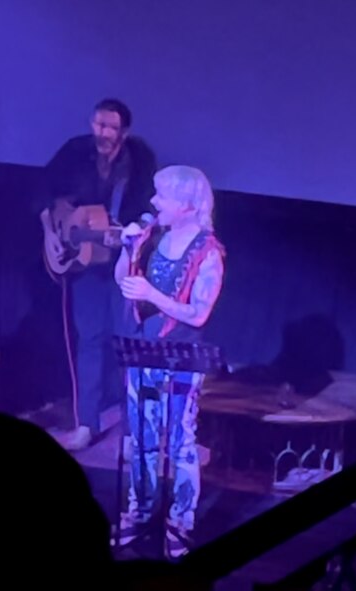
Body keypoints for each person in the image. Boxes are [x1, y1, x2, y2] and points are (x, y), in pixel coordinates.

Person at [114, 165, 225, 559]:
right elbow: (125, 282)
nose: (154, 202)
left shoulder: (207, 251)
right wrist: (129, 250)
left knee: (180, 441)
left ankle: (181, 521)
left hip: (180, 358)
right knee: (142, 439)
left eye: (162, 196)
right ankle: (139, 511)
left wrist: (154, 295)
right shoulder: (152, 236)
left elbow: (198, 313)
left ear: (187, 204)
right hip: (142, 352)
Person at [40, 98, 158, 451]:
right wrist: (51, 229)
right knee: (89, 341)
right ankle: (86, 424)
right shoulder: (75, 151)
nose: (101, 133)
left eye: (109, 127)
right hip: (84, 268)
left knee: (126, 344)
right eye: (97, 124)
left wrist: (136, 229)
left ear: (124, 131)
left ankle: (131, 428)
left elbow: (149, 209)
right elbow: (42, 193)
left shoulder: (140, 159)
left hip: (123, 263)